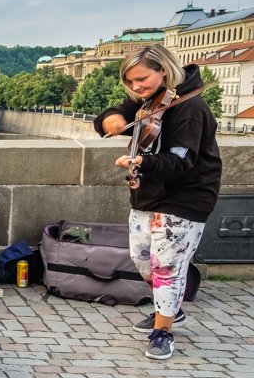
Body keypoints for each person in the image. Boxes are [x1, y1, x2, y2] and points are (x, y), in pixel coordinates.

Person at [94, 44, 220, 360]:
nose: (136, 87)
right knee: (142, 257)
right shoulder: (149, 99)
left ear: (162, 70)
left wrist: (141, 161)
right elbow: (117, 112)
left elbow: (181, 161)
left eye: (142, 79)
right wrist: (111, 119)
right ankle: (171, 309)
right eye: (130, 82)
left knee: (166, 265)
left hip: (186, 194)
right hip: (149, 192)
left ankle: (163, 331)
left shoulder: (190, 108)